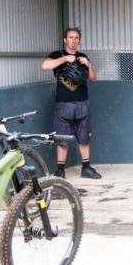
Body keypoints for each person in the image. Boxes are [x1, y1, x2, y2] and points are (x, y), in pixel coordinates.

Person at [41, 27, 101, 180]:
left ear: (79, 41)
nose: (73, 41)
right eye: (70, 37)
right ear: (65, 39)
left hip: (82, 103)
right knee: (62, 138)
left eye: (76, 38)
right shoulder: (57, 55)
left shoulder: (83, 56)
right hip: (63, 103)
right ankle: (60, 170)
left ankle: (86, 168)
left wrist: (88, 64)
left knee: (84, 137)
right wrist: (64, 59)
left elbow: (93, 78)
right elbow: (45, 66)